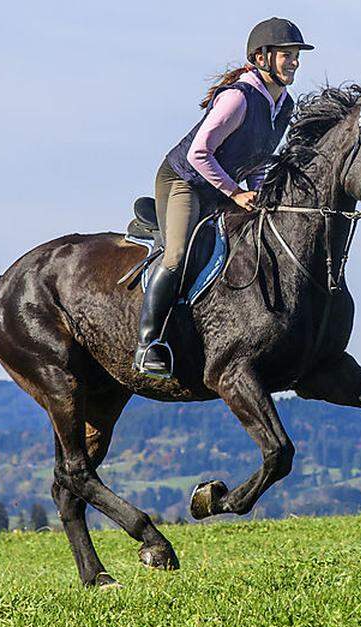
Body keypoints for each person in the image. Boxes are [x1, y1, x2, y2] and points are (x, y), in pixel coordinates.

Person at [133, 17, 314, 379]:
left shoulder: (283, 105)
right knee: (178, 255)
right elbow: (200, 153)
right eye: (286, 54)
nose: (294, 61)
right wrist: (235, 192)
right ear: (262, 58)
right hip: (185, 181)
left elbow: (257, 161)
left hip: (222, 185)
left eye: (296, 55)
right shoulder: (238, 99)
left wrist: (259, 194)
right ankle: (148, 343)